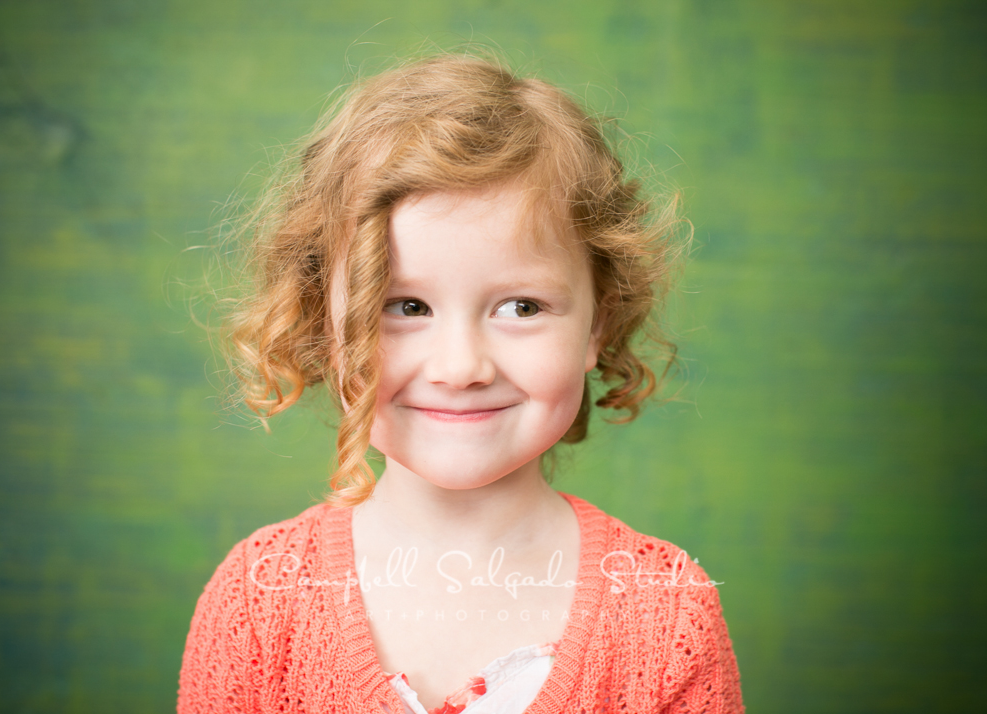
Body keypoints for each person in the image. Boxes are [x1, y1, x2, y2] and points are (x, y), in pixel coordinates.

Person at [178, 53, 744, 714]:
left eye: (522, 308)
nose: (461, 367)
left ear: (599, 325)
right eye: (406, 307)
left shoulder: (668, 612)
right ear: (321, 326)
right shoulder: (257, 599)